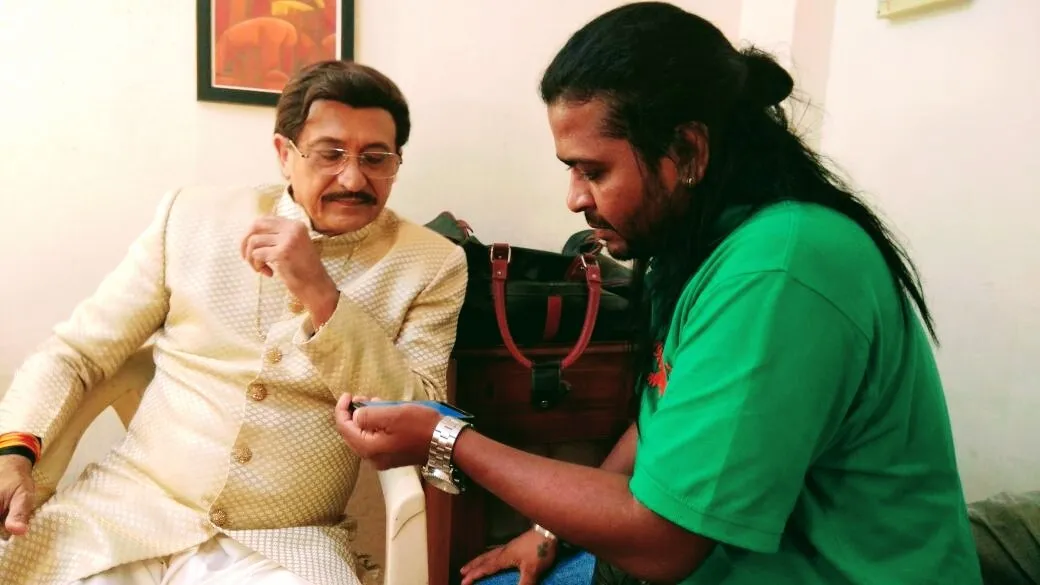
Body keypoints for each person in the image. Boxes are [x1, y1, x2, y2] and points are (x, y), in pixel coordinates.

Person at [334, 3, 984, 584]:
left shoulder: (778, 269)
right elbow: (660, 422)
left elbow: (664, 541)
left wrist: (449, 440)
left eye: (594, 170)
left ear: (688, 151)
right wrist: (550, 531)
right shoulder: (703, 244)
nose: (575, 198)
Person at [0, 60, 467, 585]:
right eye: (330, 153)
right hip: (127, 513)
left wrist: (322, 296)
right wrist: (12, 451)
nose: (353, 178)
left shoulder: (432, 264)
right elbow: (77, 353)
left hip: (286, 544)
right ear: (284, 154)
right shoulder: (193, 217)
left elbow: (424, 417)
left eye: (375, 158)